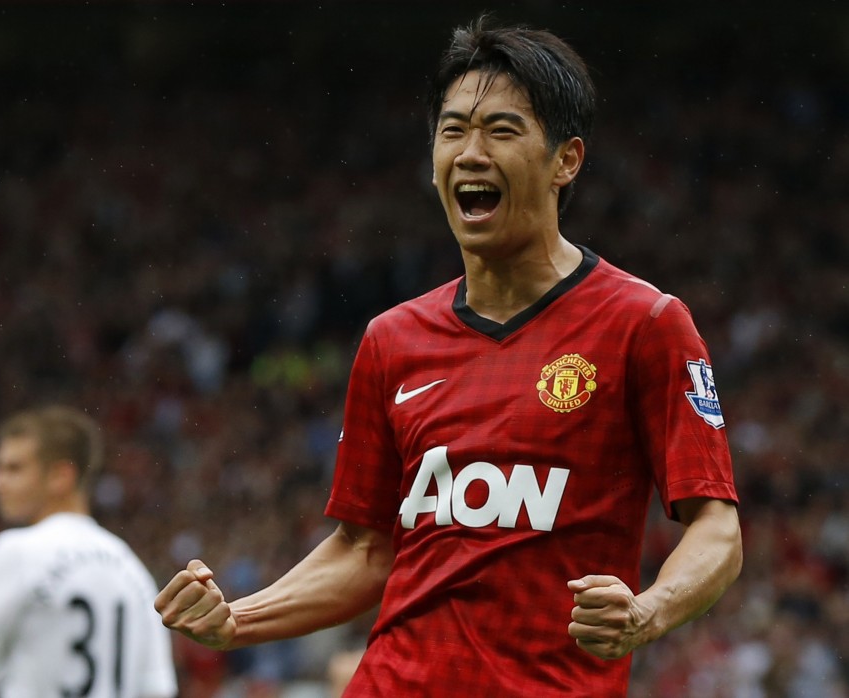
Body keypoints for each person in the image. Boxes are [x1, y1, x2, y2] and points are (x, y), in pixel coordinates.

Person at [154, 15, 742, 697]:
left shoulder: (643, 323)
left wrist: (647, 611)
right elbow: (365, 550)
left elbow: (718, 530)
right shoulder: (392, 340)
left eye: (501, 129)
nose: (469, 151)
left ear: (566, 161)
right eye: (453, 129)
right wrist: (236, 620)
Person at [0, 405, 178, 698]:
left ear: (60, 475)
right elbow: (157, 691)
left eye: (14, 468)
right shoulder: (134, 571)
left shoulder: (17, 550)